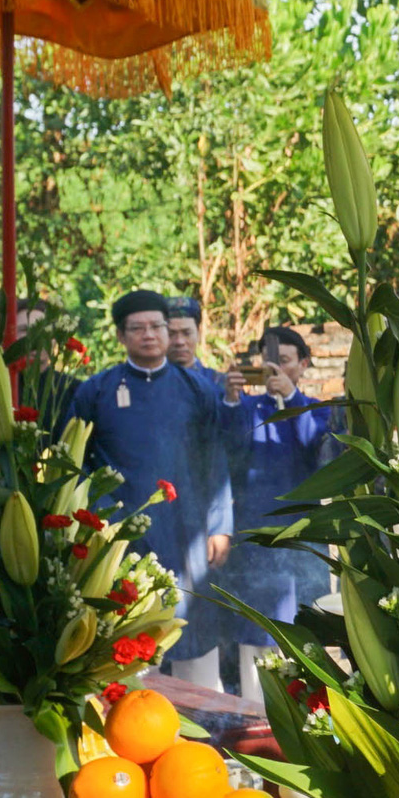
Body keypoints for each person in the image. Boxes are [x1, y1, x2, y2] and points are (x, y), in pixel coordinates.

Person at [69, 290, 234, 685]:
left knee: (193, 631)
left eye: (157, 326)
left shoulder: (198, 389)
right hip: (123, 533)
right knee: (130, 638)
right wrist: (103, 520)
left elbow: (216, 461)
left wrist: (221, 526)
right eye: (138, 328)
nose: (150, 335)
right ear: (121, 336)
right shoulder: (96, 391)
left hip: (188, 529)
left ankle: (205, 733)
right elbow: (77, 464)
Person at [210, 326, 335, 699]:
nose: (275, 370)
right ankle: (255, 708)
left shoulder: (317, 408)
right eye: (268, 363)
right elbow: (227, 451)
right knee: (254, 625)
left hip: (303, 532)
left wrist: (292, 401)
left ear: (303, 364)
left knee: (305, 623)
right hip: (256, 531)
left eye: (283, 361)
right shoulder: (246, 409)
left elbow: (318, 450)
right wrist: (231, 399)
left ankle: (308, 707)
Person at [165, 296, 218, 385]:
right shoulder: (149, 381)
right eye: (171, 334)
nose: (179, 342)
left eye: (187, 333)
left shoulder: (218, 382)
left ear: (199, 334)